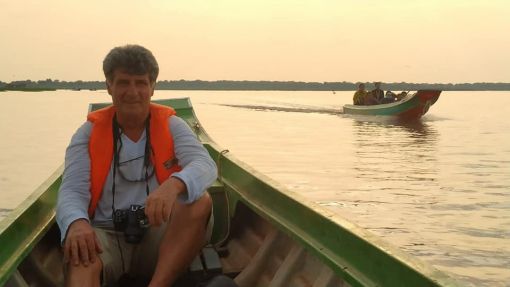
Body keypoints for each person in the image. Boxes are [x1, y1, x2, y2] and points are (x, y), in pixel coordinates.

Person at [56, 44, 217, 287]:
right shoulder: (87, 133)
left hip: (159, 235)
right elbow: (71, 190)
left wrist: (174, 185)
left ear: (152, 87)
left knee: (199, 201)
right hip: (106, 235)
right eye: (123, 82)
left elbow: (205, 164)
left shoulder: (173, 126)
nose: (133, 92)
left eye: (141, 83)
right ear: (109, 86)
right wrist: (76, 223)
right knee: (80, 253)